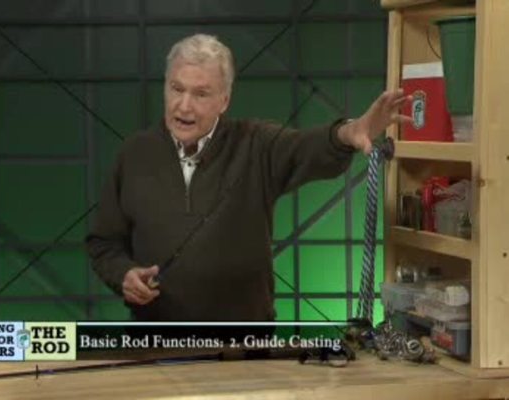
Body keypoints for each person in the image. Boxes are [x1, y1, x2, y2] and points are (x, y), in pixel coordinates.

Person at [86, 33, 409, 321]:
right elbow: (104, 243)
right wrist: (124, 275)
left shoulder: (256, 144)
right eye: (176, 89)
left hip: (244, 343)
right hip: (155, 340)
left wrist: (349, 132)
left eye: (201, 94)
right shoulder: (134, 153)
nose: (184, 106)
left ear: (224, 100)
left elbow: (307, 147)